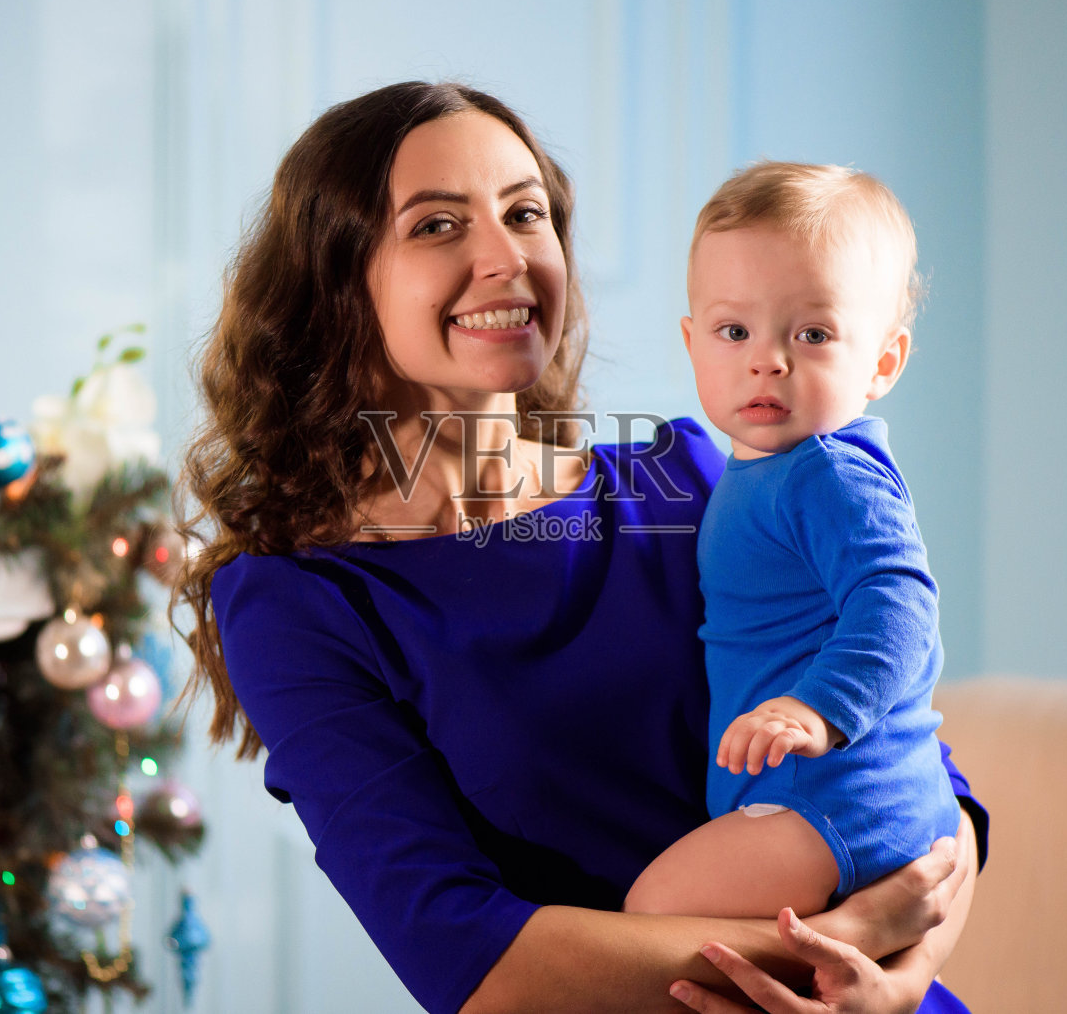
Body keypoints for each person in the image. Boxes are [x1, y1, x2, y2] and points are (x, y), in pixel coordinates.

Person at [173, 81, 987, 1014]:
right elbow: (470, 959)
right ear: (337, 282)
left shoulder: (683, 478)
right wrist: (834, 947)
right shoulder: (297, 602)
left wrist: (899, 979)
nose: (505, 256)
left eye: (526, 214)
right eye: (438, 226)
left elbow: (916, 772)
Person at [624, 163, 962, 926]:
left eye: (812, 334)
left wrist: (819, 710)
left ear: (882, 362)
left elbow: (900, 603)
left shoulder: (829, 475)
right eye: (733, 331)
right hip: (804, 797)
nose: (766, 358)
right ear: (693, 342)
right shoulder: (763, 471)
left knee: (657, 915)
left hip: (840, 797)